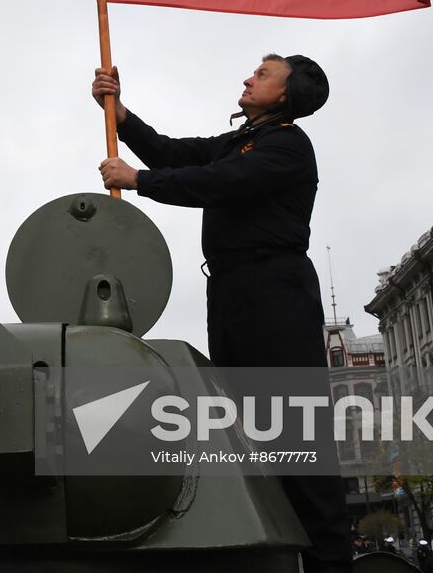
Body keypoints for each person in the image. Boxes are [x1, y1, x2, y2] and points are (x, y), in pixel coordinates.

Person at [93, 55, 342, 571]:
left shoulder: (289, 145)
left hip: (275, 293)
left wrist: (139, 180)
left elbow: (222, 182)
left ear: (284, 94)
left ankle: (328, 563)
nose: (249, 78)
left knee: (295, 440)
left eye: (264, 74)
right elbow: (178, 154)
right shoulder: (241, 140)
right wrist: (120, 115)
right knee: (247, 434)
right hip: (232, 292)